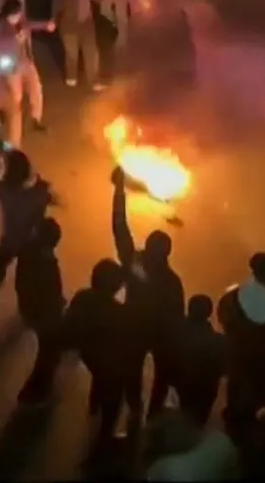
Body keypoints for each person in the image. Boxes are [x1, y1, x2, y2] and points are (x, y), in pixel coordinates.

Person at [111, 166, 186, 422]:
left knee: (131, 370)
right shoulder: (172, 281)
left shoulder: (134, 263)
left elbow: (119, 226)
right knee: (162, 374)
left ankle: (134, 407)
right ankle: (153, 414)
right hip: (159, 334)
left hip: (132, 328)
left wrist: (119, 190)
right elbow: (178, 317)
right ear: (167, 253)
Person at [217, 252, 265, 439]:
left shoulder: (233, 296)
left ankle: (233, 436)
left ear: (252, 269)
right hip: (264, 367)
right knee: (258, 406)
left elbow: (223, 319)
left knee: (235, 402)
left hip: (238, 360)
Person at [62, 259, 134, 444]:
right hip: (106, 358)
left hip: (87, 352)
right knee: (114, 393)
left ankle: (94, 404)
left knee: (99, 376)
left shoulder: (82, 297)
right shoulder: (118, 312)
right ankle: (106, 433)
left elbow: (70, 322)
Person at [0, 0, 54, 151]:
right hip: (2, 76)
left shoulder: (16, 26)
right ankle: (7, 149)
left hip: (14, 66)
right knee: (8, 113)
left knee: (15, 107)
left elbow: (29, 24)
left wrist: (44, 25)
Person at [0, 149, 55, 302]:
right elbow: (55, 198)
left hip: (10, 240)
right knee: (31, 273)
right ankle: (37, 299)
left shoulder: (5, 191)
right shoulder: (39, 192)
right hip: (31, 240)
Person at [15, 217, 67, 406]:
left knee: (48, 351)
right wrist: (58, 305)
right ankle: (37, 391)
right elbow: (50, 291)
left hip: (32, 309)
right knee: (49, 352)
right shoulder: (46, 263)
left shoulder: (27, 252)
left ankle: (37, 389)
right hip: (45, 315)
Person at [173, 294, 227, 427]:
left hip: (179, 387)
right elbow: (224, 368)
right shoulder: (218, 341)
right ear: (209, 313)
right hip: (206, 389)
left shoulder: (174, 336)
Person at [53, 0, 103, 90]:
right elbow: (55, 9)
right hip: (69, 28)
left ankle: (93, 80)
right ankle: (71, 77)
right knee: (71, 53)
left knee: (91, 53)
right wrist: (53, 21)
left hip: (87, 26)